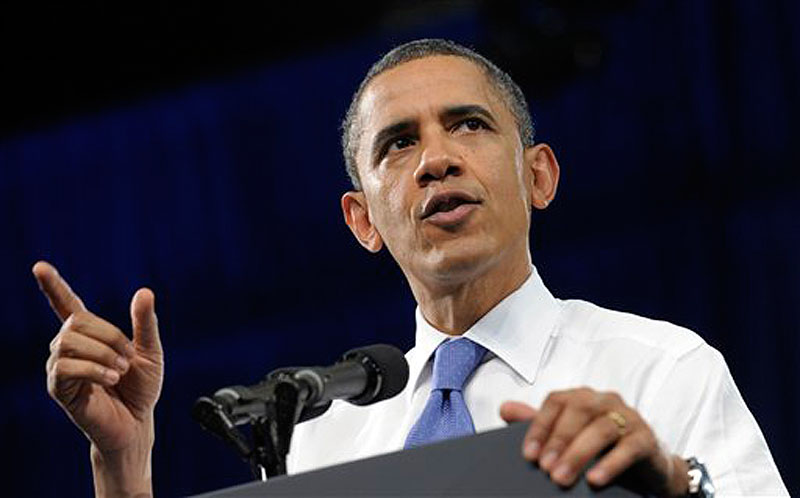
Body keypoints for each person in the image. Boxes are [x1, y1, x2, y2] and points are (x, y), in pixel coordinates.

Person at [36, 39, 787, 497]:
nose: (436, 159)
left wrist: (676, 484)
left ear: (540, 177)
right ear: (362, 221)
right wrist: (123, 464)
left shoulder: (661, 371)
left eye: (468, 123)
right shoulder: (314, 434)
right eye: (398, 143)